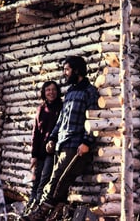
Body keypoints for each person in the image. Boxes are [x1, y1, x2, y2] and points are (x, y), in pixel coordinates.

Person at [22, 55, 99, 221]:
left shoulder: (90, 92)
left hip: (76, 145)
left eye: (67, 69)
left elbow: (94, 120)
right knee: (59, 180)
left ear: (76, 70)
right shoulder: (70, 92)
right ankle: (54, 215)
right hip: (62, 144)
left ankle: (40, 213)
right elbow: (61, 119)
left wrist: (87, 142)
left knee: (57, 178)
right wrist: (52, 138)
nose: (65, 73)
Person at [25, 81, 63, 214]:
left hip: (53, 151)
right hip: (40, 151)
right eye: (48, 90)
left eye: (53, 90)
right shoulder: (41, 109)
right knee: (36, 180)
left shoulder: (62, 107)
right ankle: (31, 204)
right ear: (44, 93)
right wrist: (34, 155)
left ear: (57, 91)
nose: (51, 92)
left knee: (44, 178)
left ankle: (38, 208)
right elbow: (35, 133)